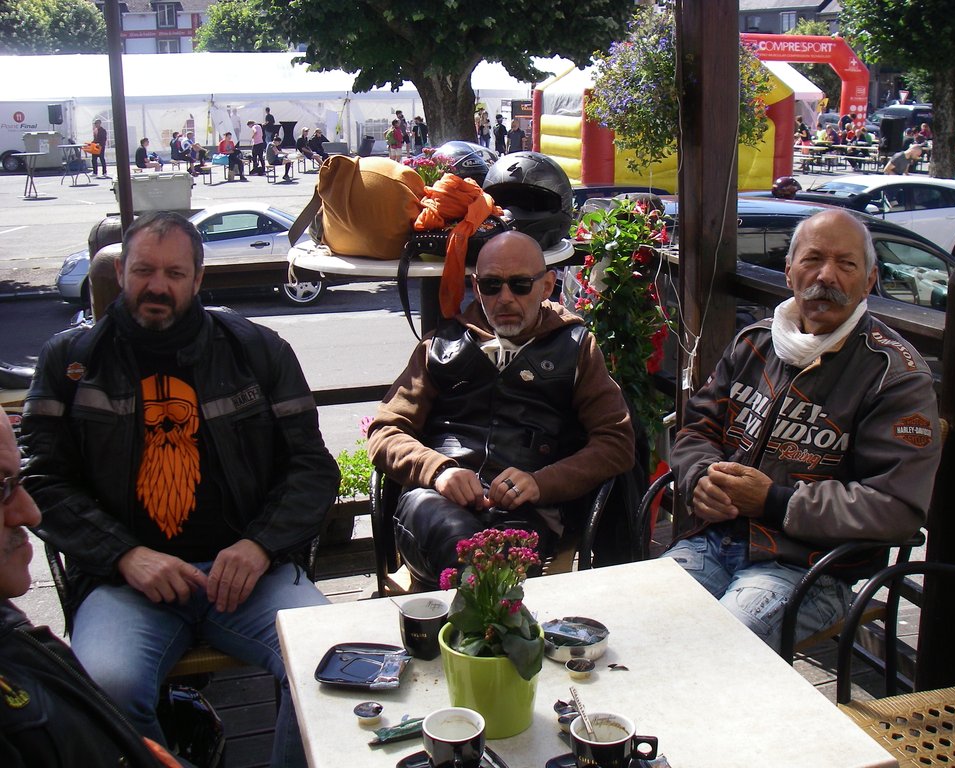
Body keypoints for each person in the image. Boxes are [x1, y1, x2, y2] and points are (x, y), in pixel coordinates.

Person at [21, 211, 340, 767]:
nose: (158, 286)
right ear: (121, 272)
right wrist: (125, 555)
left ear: (198, 279)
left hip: (249, 578)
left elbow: (313, 468)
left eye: (174, 273)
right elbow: (41, 481)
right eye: (144, 270)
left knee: (329, 661)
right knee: (108, 691)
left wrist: (260, 544)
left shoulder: (257, 351)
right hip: (125, 585)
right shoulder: (70, 360)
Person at [661, 209, 941, 653]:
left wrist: (774, 501)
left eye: (846, 264)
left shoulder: (894, 375)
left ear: (868, 281)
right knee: (640, 618)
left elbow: (897, 508)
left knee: (715, 650)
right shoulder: (754, 343)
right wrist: (700, 478)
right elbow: (698, 427)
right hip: (713, 540)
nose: (826, 276)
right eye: (813, 259)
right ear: (789, 271)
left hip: (810, 568)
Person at [367, 231, 635, 586]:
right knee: (472, 554)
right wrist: (438, 471)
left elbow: (616, 442)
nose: (505, 297)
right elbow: (385, 431)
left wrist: (541, 482)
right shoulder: (439, 346)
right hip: (435, 504)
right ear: (476, 288)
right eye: (492, 285)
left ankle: (472, 607)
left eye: (520, 285)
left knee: (496, 564)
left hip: (528, 510)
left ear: (547, 285)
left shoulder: (577, 348)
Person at [0, 416, 183, 767]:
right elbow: (48, 482)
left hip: (256, 576)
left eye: (16, 482)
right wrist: (121, 554)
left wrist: (261, 545)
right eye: (1, 489)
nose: (30, 514)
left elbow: (299, 462)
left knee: (298, 661)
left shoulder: (14, 635)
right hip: (115, 582)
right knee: (114, 681)